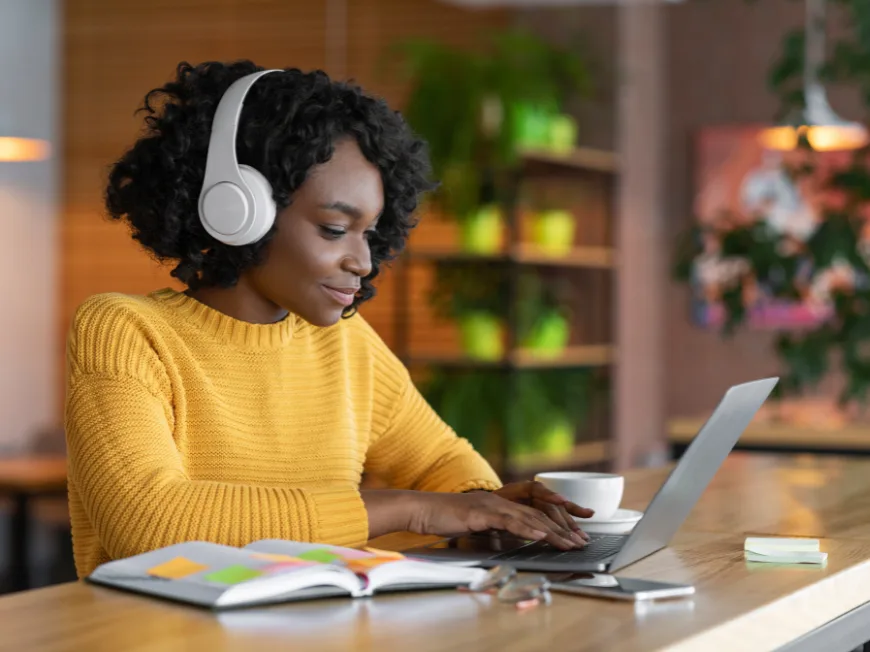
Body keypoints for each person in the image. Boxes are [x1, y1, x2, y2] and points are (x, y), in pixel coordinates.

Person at [64, 60, 592, 579]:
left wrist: (486, 505)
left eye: (370, 233)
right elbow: (148, 522)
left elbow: (446, 465)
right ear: (239, 209)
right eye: (336, 229)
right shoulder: (124, 331)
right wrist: (413, 510)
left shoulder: (345, 344)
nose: (363, 262)